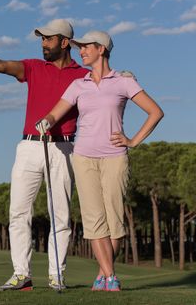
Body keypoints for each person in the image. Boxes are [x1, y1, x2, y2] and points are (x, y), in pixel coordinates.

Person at [0, 19, 89, 291]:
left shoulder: (83, 75)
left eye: (48, 39)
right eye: (42, 39)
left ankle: (56, 276)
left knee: (60, 215)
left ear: (65, 42)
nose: (43, 44)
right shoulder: (33, 67)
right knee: (18, 212)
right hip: (29, 147)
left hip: (64, 147)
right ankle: (21, 275)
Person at [36, 30, 164, 291]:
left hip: (115, 158)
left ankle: (103, 274)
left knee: (114, 222)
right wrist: (45, 122)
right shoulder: (78, 85)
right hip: (83, 157)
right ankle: (110, 276)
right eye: (79, 47)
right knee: (94, 220)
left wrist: (133, 140)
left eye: (85, 47)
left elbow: (155, 112)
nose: (80, 51)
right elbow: (56, 112)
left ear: (101, 49)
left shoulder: (124, 82)